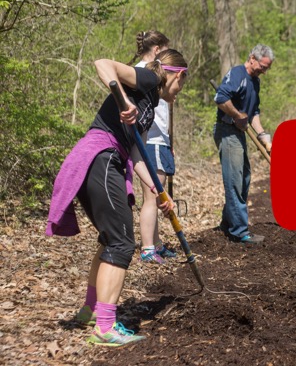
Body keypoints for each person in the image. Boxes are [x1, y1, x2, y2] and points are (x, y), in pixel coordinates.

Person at [46, 49, 189, 346]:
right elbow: (102, 63)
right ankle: (106, 327)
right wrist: (124, 102)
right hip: (102, 156)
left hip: (101, 158)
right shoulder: (149, 79)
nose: (178, 94)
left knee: (110, 239)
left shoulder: (149, 105)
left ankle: (91, 308)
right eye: (181, 85)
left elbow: (138, 155)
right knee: (122, 242)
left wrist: (157, 191)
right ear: (178, 75)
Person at [214, 44, 274, 244]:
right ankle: (239, 231)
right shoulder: (237, 74)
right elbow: (221, 98)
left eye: (267, 68)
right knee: (235, 181)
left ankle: (228, 223)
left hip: (238, 133)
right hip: (227, 131)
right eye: (263, 66)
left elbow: (253, 112)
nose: (264, 71)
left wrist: (263, 135)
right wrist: (237, 115)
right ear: (252, 58)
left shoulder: (255, 82)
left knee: (244, 178)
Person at [130, 30, 178, 264]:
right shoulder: (143, 72)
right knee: (152, 196)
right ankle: (148, 247)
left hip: (159, 140)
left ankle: (156, 244)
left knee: (155, 195)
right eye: (166, 49)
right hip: (151, 142)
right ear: (157, 49)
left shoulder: (154, 73)